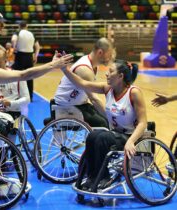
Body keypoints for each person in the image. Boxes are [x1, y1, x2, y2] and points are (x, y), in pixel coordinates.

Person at [61, 59, 147, 189]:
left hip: (131, 136)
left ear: (120, 76)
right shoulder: (107, 89)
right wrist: (65, 70)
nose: (106, 74)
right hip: (115, 134)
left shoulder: (134, 93)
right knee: (92, 136)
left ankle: (104, 177)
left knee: (102, 138)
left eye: (110, 71)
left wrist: (131, 141)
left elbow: (142, 123)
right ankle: (92, 177)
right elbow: (82, 83)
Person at [54, 38, 115, 127]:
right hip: (67, 107)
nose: (110, 58)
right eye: (109, 55)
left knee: (103, 115)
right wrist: (111, 120)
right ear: (100, 52)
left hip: (76, 104)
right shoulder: (84, 69)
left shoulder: (90, 63)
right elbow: (94, 99)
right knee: (104, 123)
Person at [0, 48, 30, 136]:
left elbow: (27, 99)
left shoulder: (17, 76)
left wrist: (10, 103)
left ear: (5, 61)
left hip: (11, 114)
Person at [12, 20, 40, 102]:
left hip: (20, 55)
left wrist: (14, 47)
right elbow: (37, 47)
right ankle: (30, 97)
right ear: (26, 26)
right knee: (29, 76)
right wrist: (36, 56)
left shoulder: (18, 32)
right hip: (29, 57)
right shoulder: (32, 34)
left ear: (19, 26)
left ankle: (17, 95)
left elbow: (14, 39)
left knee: (16, 75)